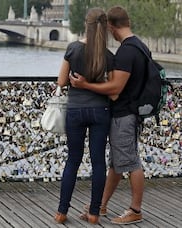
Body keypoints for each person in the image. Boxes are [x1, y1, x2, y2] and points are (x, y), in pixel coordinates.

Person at [69, 5, 146, 225]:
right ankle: (101, 205)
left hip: (124, 114)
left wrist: (86, 85)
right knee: (117, 163)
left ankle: (135, 210)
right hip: (130, 112)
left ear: (111, 27)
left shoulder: (126, 51)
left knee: (131, 163)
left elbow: (115, 90)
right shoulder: (139, 46)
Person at [54, 7, 114, 225]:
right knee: (98, 162)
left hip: (75, 110)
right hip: (100, 111)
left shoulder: (73, 49)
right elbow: (113, 88)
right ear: (105, 27)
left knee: (73, 160)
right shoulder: (108, 55)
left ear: (85, 25)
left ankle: (61, 212)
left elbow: (61, 82)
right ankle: (94, 213)